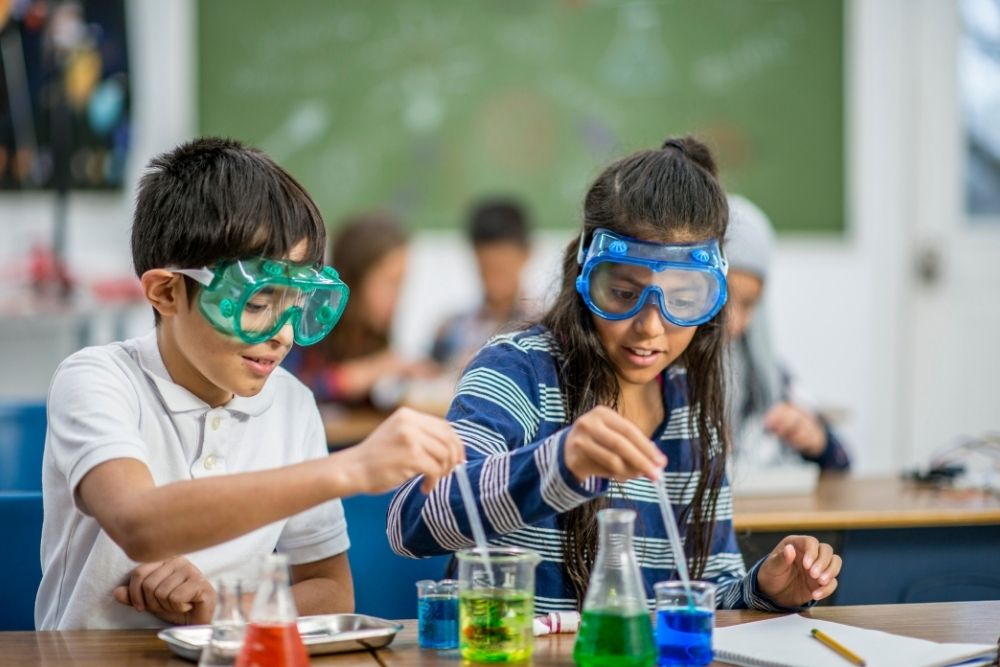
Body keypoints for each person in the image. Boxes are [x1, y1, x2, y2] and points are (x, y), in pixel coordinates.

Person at [387, 137, 842, 613]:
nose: (649, 327)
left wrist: (762, 591)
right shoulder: (518, 370)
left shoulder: (691, 412)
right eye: (623, 293)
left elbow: (699, 592)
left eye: (682, 300)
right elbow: (410, 521)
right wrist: (559, 462)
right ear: (586, 274)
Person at [35, 138, 464, 630]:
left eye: (294, 305)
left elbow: (330, 590)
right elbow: (140, 524)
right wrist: (351, 468)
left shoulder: (291, 403)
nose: (282, 335)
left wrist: (220, 610)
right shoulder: (96, 379)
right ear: (167, 292)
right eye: (257, 304)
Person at [725, 194, 851, 471]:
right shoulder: (666, 370)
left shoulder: (765, 369)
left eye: (748, 305)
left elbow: (840, 460)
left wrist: (815, 437)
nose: (734, 323)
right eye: (723, 297)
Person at [285, 212, 436, 408]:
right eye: (391, 282)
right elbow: (285, 387)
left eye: (402, 284)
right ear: (355, 279)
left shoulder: (371, 333)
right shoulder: (306, 319)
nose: (398, 298)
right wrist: (365, 373)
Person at [431, 197, 535, 370]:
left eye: (502, 269)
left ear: (526, 254)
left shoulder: (547, 325)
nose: (494, 282)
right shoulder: (450, 330)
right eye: (485, 269)